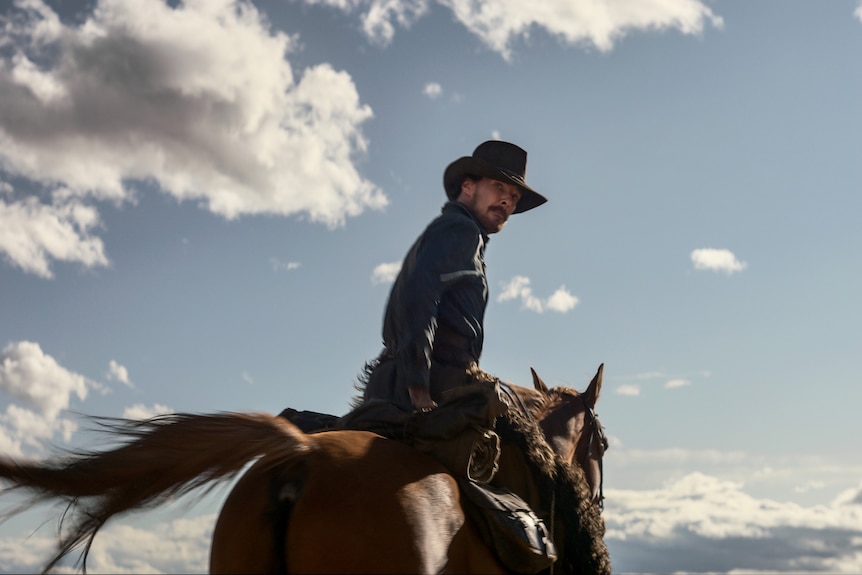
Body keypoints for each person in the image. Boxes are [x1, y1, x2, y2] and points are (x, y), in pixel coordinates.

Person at [362, 140, 547, 412]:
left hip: (403, 376)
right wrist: (419, 388)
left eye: (514, 196)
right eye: (498, 187)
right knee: (526, 441)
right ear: (468, 186)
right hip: (433, 382)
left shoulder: (455, 232)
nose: (507, 201)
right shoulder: (461, 230)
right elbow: (419, 299)